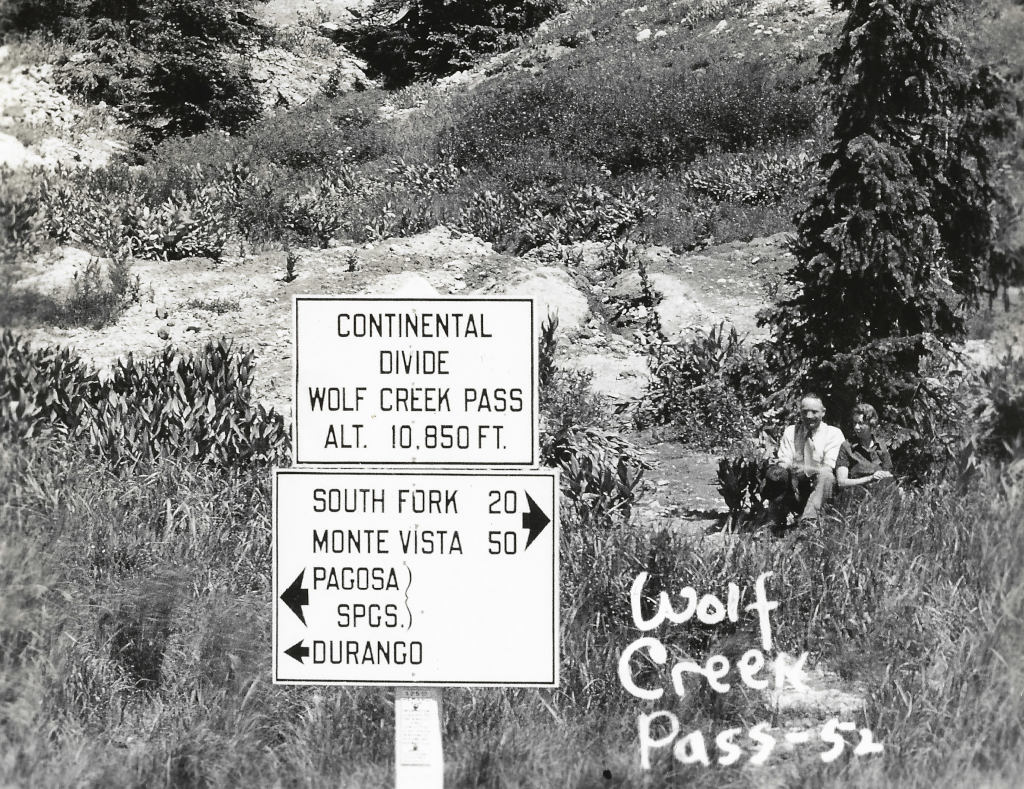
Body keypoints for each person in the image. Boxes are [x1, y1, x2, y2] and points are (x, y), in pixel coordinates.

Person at [765, 393, 846, 529]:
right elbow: (785, 459)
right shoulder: (791, 432)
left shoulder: (833, 434)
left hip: (821, 490)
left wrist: (808, 469)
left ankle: (809, 522)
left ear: (823, 412)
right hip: (796, 485)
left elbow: (828, 467)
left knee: (826, 476)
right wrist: (784, 467)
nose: (809, 416)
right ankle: (775, 521)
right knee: (778, 473)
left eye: (814, 412)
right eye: (805, 412)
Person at [836, 403, 894, 490]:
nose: (856, 427)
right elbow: (841, 482)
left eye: (860, 423)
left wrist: (885, 475)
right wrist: (870, 478)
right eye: (854, 423)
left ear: (871, 424)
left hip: (877, 493)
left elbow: (888, 475)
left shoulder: (881, 445)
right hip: (854, 494)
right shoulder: (847, 446)